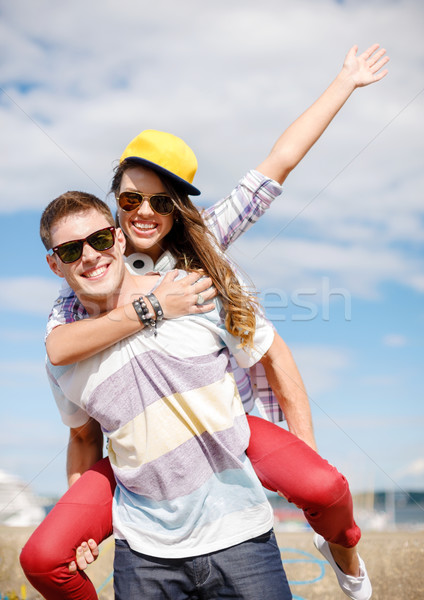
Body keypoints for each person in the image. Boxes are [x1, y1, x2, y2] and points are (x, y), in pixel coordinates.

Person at [20, 43, 388, 600]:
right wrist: (150, 308)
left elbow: (278, 162)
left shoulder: (201, 250)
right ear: (116, 208)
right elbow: (62, 351)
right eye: (131, 200)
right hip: (139, 451)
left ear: (178, 209)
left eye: (160, 202)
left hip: (222, 421)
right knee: (48, 552)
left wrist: (344, 82)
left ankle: (344, 558)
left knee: (321, 484)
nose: (145, 212)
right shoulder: (85, 279)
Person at [39, 191, 294, 599]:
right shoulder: (63, 357)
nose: (89, 256)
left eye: (100, 240)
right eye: (70, 250)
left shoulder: (191, 292)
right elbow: (83, 439)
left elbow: (272, 357)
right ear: (55, 264)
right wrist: (83, 523)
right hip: (143, 553)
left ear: (119, 239)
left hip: (241, 534)